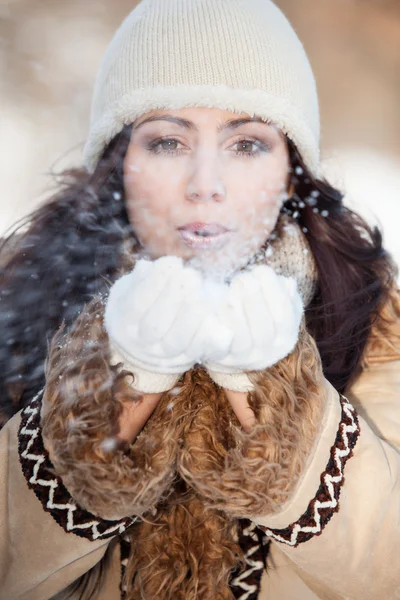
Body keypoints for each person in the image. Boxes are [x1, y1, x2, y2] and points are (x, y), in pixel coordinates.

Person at [1, 0, 399, 598]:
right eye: (166, 142)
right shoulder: (20, 312)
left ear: (291, 170)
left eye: (246, 144)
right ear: (119, 164)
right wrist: (109, 389)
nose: (205, 184)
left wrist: (279, 395)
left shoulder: (379, 327)